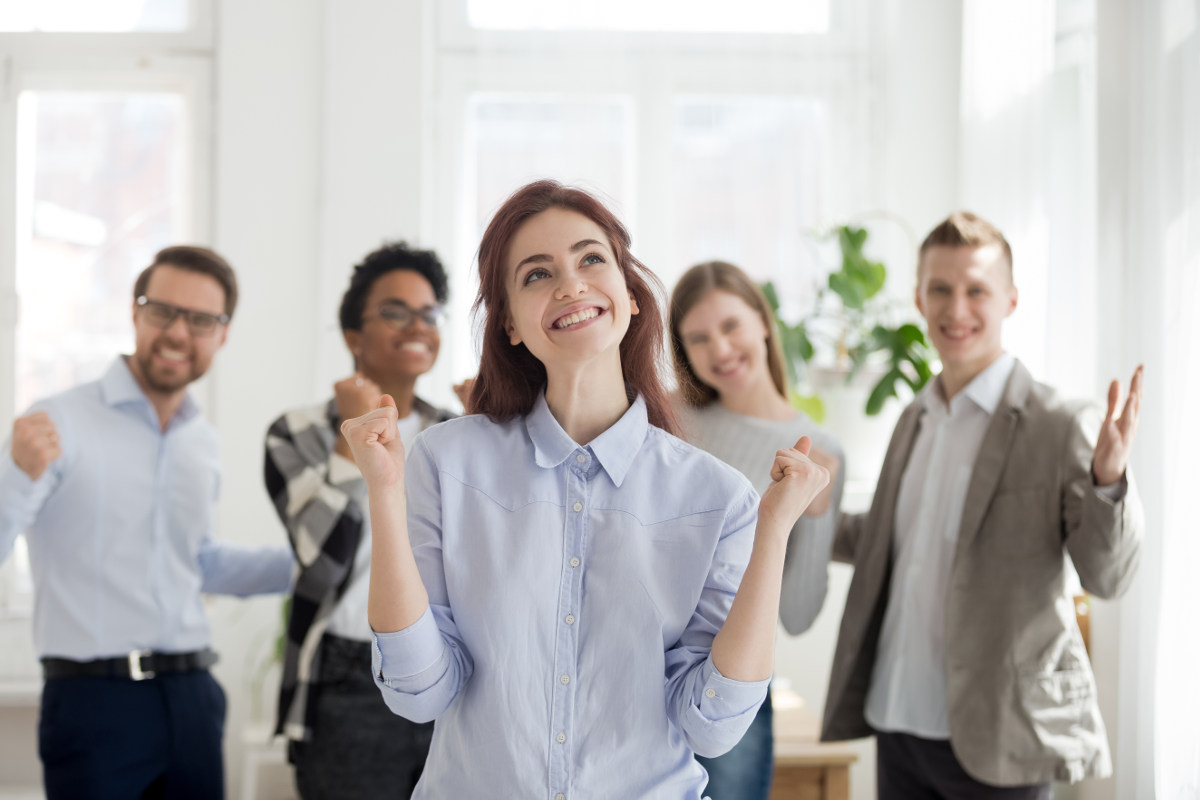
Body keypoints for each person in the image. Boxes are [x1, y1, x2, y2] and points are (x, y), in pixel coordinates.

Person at [338, 179, 831, 799]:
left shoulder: (719, 497)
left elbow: (712, 725)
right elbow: (420, 690)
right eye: (537, 274)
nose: (570, 284)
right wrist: (383, 494)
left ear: (629, 294)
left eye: (590, 259)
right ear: (510, 324)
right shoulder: (445, 459)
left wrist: (774, 533)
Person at [820, 212, 1145, 799]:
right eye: (940, 289)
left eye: (977, 290)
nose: (956, 309)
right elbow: (894, 539)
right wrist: (806, 512)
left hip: (1000, 735)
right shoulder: (913, 419)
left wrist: (1110, 480)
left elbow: (1109, 576)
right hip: (898, 720)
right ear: (919, 297)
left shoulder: (1058, 423)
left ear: (1011, 300)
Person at [0, 245, 294, 799]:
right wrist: (15, 477)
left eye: (201, 319)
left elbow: (199, 563)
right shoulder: (56, 422)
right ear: (136, 313)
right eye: (163, 311)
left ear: (222, 335)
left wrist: (311, 566)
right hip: (93, 703)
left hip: (193, 699)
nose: (179, 333)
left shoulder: (200, 442)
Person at [264, 242, 456, 799]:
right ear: (353, 336)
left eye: (428, 313)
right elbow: (321, 557)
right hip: (348, 681)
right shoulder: (296, 432)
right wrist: (354, 444)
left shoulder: (459, 432)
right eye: (395, 312)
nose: (417, 325)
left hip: (449, 670)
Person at [669, 260, 846, 800]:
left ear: (763, 323)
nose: (719, 349)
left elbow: (796, 615)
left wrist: (809, 519)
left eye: (730, 326)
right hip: (635, 661)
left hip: (733, 679)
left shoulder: (821, 452)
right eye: (698, 338)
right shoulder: (666, 420)